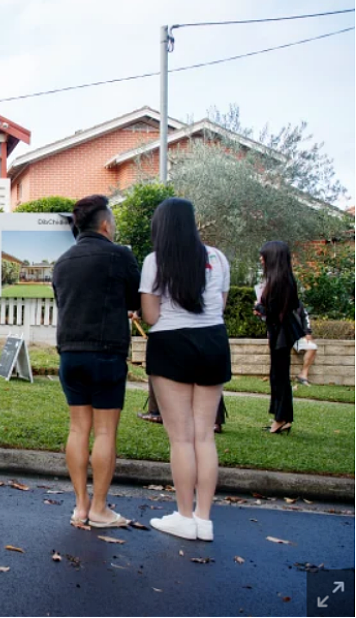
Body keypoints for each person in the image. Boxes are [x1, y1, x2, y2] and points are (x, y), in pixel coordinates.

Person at [140, 198, 231, 542]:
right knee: (204, 435)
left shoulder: (155, 261)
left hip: (171, 344)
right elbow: (218, 306)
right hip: (213, 342)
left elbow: (150, 316)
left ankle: (183, 515)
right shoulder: (218, 257)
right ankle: (204, 520)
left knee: (181, 438)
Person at [52, 195, 140, 528]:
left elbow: (62, 302)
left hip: (70, 354)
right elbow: (136, 300)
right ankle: (100, 509)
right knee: (105, 432)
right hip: (106, 354)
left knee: (78, 428)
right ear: (105, 224)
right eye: (113, 221)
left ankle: (80, 506)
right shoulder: (121, 256)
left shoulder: (62, 262)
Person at [257, 241, 308, 435]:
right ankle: (282, 417)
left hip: (280, 334)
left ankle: (281, 418)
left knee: (279, 375)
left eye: (264, 256)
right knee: (278, 374)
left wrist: (260, 309)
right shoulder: (284, 279)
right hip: (281, 332)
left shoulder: (279, 281)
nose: (261, 259)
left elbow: (275, 311)